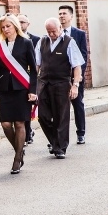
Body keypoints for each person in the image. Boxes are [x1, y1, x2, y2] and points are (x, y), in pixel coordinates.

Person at [0, 14, 38, 174]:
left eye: (8, 26)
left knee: (19, 123)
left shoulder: (26, 43)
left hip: (21, 89)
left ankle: (17, 158)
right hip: (4, 89)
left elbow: (33, 70)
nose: (6, 30)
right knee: (5, 124)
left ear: (15, 26)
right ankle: (19, 149)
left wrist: (33, 91)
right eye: (3, 27)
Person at [35, 18, 84, 159]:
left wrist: (75, 86)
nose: (51, 34)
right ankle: (55, 141)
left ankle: (60, 148)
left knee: (61, 117)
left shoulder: (69, 42)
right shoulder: (42, 42)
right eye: (48, 32)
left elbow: (76, 66)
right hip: (44, 83)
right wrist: (33, 84)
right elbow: (37, 64)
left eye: (54, 31)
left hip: (62, 84)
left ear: (60, 28)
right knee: (43, 116)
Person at [58, 5, 89, 145]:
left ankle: (81, 132)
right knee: (60, 107)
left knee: (77, 104)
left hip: (76, 76)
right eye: (59, 14)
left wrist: (79, 75)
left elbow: (83, 55)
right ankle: (59, 136)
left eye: (64, 13)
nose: (61, 16)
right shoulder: (55, 33)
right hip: (60, 77)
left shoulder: (79, 34)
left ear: (71, 16)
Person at [17, 14, 40, 145]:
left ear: (28, 24)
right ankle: (25, 133)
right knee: (22, 108)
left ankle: (28, 130)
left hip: (31, 77)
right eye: (18, 21)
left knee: (30, 107)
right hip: (18, 78)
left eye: (23, 22)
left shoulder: (35, 39)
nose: (20, 24)